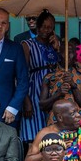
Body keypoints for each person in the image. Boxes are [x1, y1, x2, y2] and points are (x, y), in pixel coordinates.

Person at [20, 10, 60, 147]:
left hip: (53, 89)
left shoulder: (54, 45)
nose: (46, 30)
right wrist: (26, 100)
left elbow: (62, 67)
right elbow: (22, 73)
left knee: (53, 134)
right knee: (34, 134)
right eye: (43, 26)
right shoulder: (27, 44)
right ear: (37, 26)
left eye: (50, 27)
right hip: (34, 90)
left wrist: (57, 48)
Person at [40, 40, 81, 123]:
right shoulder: (49, 77)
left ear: (75, 55)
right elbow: (42, 106)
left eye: (71, 52)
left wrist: (73, 85)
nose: (68, 55)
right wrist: (58, 94)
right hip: (55, 123)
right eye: (64, 52)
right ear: (59, 54)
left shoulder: (80, 75)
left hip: (76, 123)